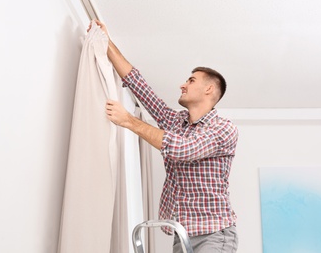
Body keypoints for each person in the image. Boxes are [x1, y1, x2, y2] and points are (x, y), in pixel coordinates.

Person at [89, 20, 239, 253]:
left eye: (191, 80)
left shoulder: (223, 129)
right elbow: (139, 85)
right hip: (182, 233)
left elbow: (182, 150)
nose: (182, 85)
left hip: (214, 233)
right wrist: (106, 42)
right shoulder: (176, 122)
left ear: (209, 89)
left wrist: (128, 120)